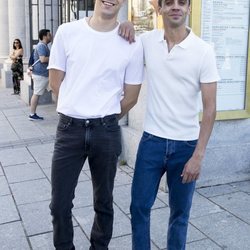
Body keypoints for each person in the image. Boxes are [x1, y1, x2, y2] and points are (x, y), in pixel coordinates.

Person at [48, 0, 144, 248]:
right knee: (59, 203)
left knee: (104, 201)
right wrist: (78, 105)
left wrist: (106, 116)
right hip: (70, 130)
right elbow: (55, 82)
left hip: (106, 130)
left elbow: (131, 97)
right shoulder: (68, 32)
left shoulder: (131, 42)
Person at [129, 0, 220, 249]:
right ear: (159, 9)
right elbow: (123, 39)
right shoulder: (148, 42)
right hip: (152, 142)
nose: (176, 7)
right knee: (138, 207)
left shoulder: (203, 50)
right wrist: (125, 24)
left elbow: (210, 107)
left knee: (180, 214)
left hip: (186, 146)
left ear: (189, 8)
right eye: (169, 3)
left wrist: (198, 155)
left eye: (182, 2)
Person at [28, 29, 52, 121]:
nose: (51, 36)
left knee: (56, 90)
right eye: (49, 35)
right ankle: (32, 114)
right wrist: (54, 57)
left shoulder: (43, 46)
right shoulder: (41, 46)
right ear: (45, 36)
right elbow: (42, 59)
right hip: (41, 75)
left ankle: (61, 112)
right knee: (36, 94)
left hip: (45, 74)